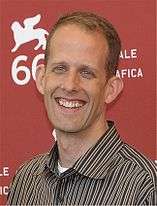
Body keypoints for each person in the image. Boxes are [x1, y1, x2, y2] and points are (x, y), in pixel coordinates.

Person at [7, 11, 157, 205]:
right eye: (60, 68)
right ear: (42, 79)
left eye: (86, 73)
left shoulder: (144, 187)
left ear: (110, 89)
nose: (70, 85)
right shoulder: (25, 180)